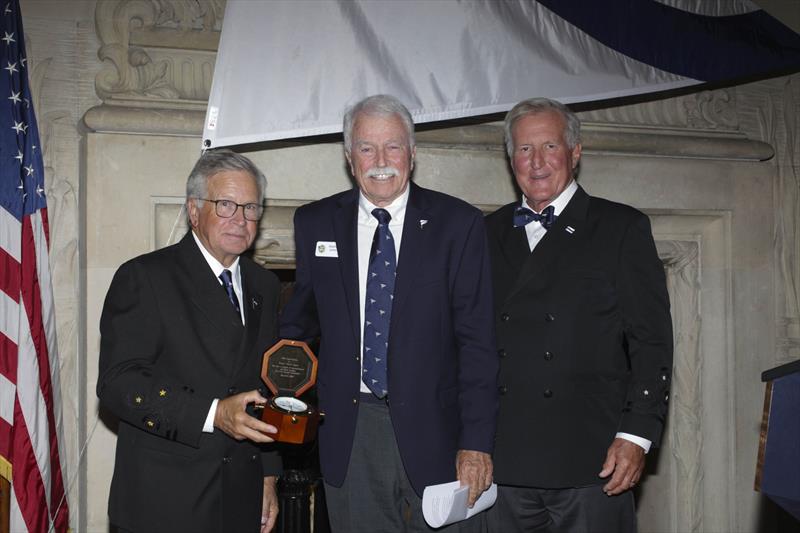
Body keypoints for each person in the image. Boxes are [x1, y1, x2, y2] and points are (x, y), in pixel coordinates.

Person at [279, 94, 498, 532]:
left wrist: (476, 442)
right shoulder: (315, 222)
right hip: (352, 432)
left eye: (393, 146)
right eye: (366, 147)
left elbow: (478, 341)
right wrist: (280, 383)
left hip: (440, 432)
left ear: (412, 154)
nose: (380, 160)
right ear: (349, 157)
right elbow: (301, 322)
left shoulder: (459, 224)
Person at [485, 98, 673, 533]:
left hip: (594, 459)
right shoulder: (485, 232)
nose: (536, 162)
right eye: (524, 149)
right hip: (504, 460)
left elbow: (651, 342)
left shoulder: (620, 227)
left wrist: (636, 434)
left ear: (575, 152)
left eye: (549, 147)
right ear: (510, 159)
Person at [97, 149, 282, 533]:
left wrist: (267, 475)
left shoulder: (264, 284)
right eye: (226, 204)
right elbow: (118, 383)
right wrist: (212, 414)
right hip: (166, 499)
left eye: (251, 208)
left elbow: (264, 387)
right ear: (194, 210)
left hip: (241, 494)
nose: (240, 219)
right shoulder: (145, 277)